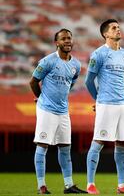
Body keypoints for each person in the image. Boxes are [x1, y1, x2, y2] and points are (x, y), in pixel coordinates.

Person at [85, 19, 124, 194]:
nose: (118, 29)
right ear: (105, 34)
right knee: (99, 141)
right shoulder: (98, 54)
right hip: (106, 104)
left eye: (118, 27)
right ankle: (90, 184)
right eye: (114, 28)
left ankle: (122, 185)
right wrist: (98, 100)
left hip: (123, 104)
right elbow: (88, 81)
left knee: (123, 142)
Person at [30, 29, 87, 194]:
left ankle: (69, 185)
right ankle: (41, 185)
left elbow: (71, 83)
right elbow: (33, 82)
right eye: (63, 39)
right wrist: (41, 98)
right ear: (57, 42)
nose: (67, 41)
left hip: (63, 111)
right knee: (43, 146)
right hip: (46, 110)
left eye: (69, 38)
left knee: (65, 147)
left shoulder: (75, 65)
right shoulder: (48, 61)